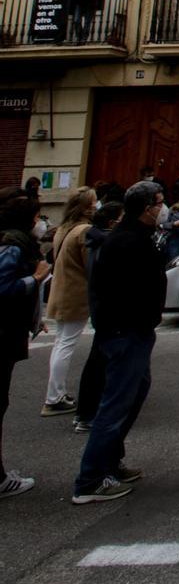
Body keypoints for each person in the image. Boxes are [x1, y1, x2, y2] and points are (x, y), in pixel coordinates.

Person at [72, 179, 166, 505]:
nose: (161, 208)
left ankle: (110, 462)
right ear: (144, 209)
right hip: (125, 332)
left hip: (133, 331)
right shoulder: (126, 242)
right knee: (114, 405)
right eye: (157, 203)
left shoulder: (135, 238)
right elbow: (126, 290)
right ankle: (91, 479)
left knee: (134, 393)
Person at [0, 188, 51, 497]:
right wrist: (36, 277)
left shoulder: (15, 243)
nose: (40, 222)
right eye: (36, 217)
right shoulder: (12, 247)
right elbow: (3, 288)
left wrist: (34, 317)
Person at [42, 186, 97, 417]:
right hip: (75, 294)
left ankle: (55, 393)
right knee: (66, 344)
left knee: (61, 342)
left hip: (61, 290)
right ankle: (54, 398)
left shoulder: (63, 228)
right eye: (94, 202)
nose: (97, 205)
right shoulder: (84, 231)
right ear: (85, 207)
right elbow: (91, 266)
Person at [73, 199, 123, 433]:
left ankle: (88, 411)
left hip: (103, 310)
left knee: (99, 360)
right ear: (113, 223)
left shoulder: (98, 241)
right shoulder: (106, 245)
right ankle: (89, 414)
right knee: (101, 362)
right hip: (109, 311)